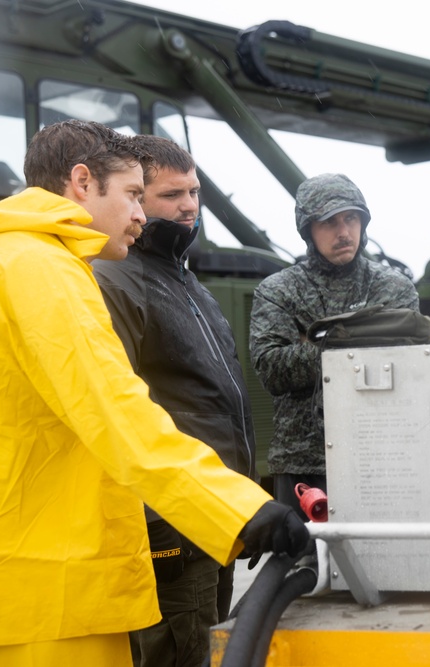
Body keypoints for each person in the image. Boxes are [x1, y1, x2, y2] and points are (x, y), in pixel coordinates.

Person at [0, 120, 307, 667]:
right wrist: (243, 510)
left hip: (16, 582)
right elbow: (117, 412)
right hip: (51, 593)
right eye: (134, 194)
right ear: (82, 182)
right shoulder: (46, 270)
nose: (139, 214)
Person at [92, 135, 258, 667]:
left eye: (195, 191)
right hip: (171, 525)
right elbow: (116, 410)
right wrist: (159, 520)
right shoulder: (117, 279)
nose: (189, 205)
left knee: (210, 652)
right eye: (171, 195)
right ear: (137, 199)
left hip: (214, 514)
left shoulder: (189, 284)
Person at [249, 173, 420, 516]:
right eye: (329, 222)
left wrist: (315, 344)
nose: (343, 232)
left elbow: (410, 367)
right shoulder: (279, 290)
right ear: (308, 230)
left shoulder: (395, 288)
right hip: (304, 464)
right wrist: (355, 345)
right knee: (302, 566)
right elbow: (271, 368)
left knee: (383, 565)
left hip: (383, 456)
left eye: (351, 218)